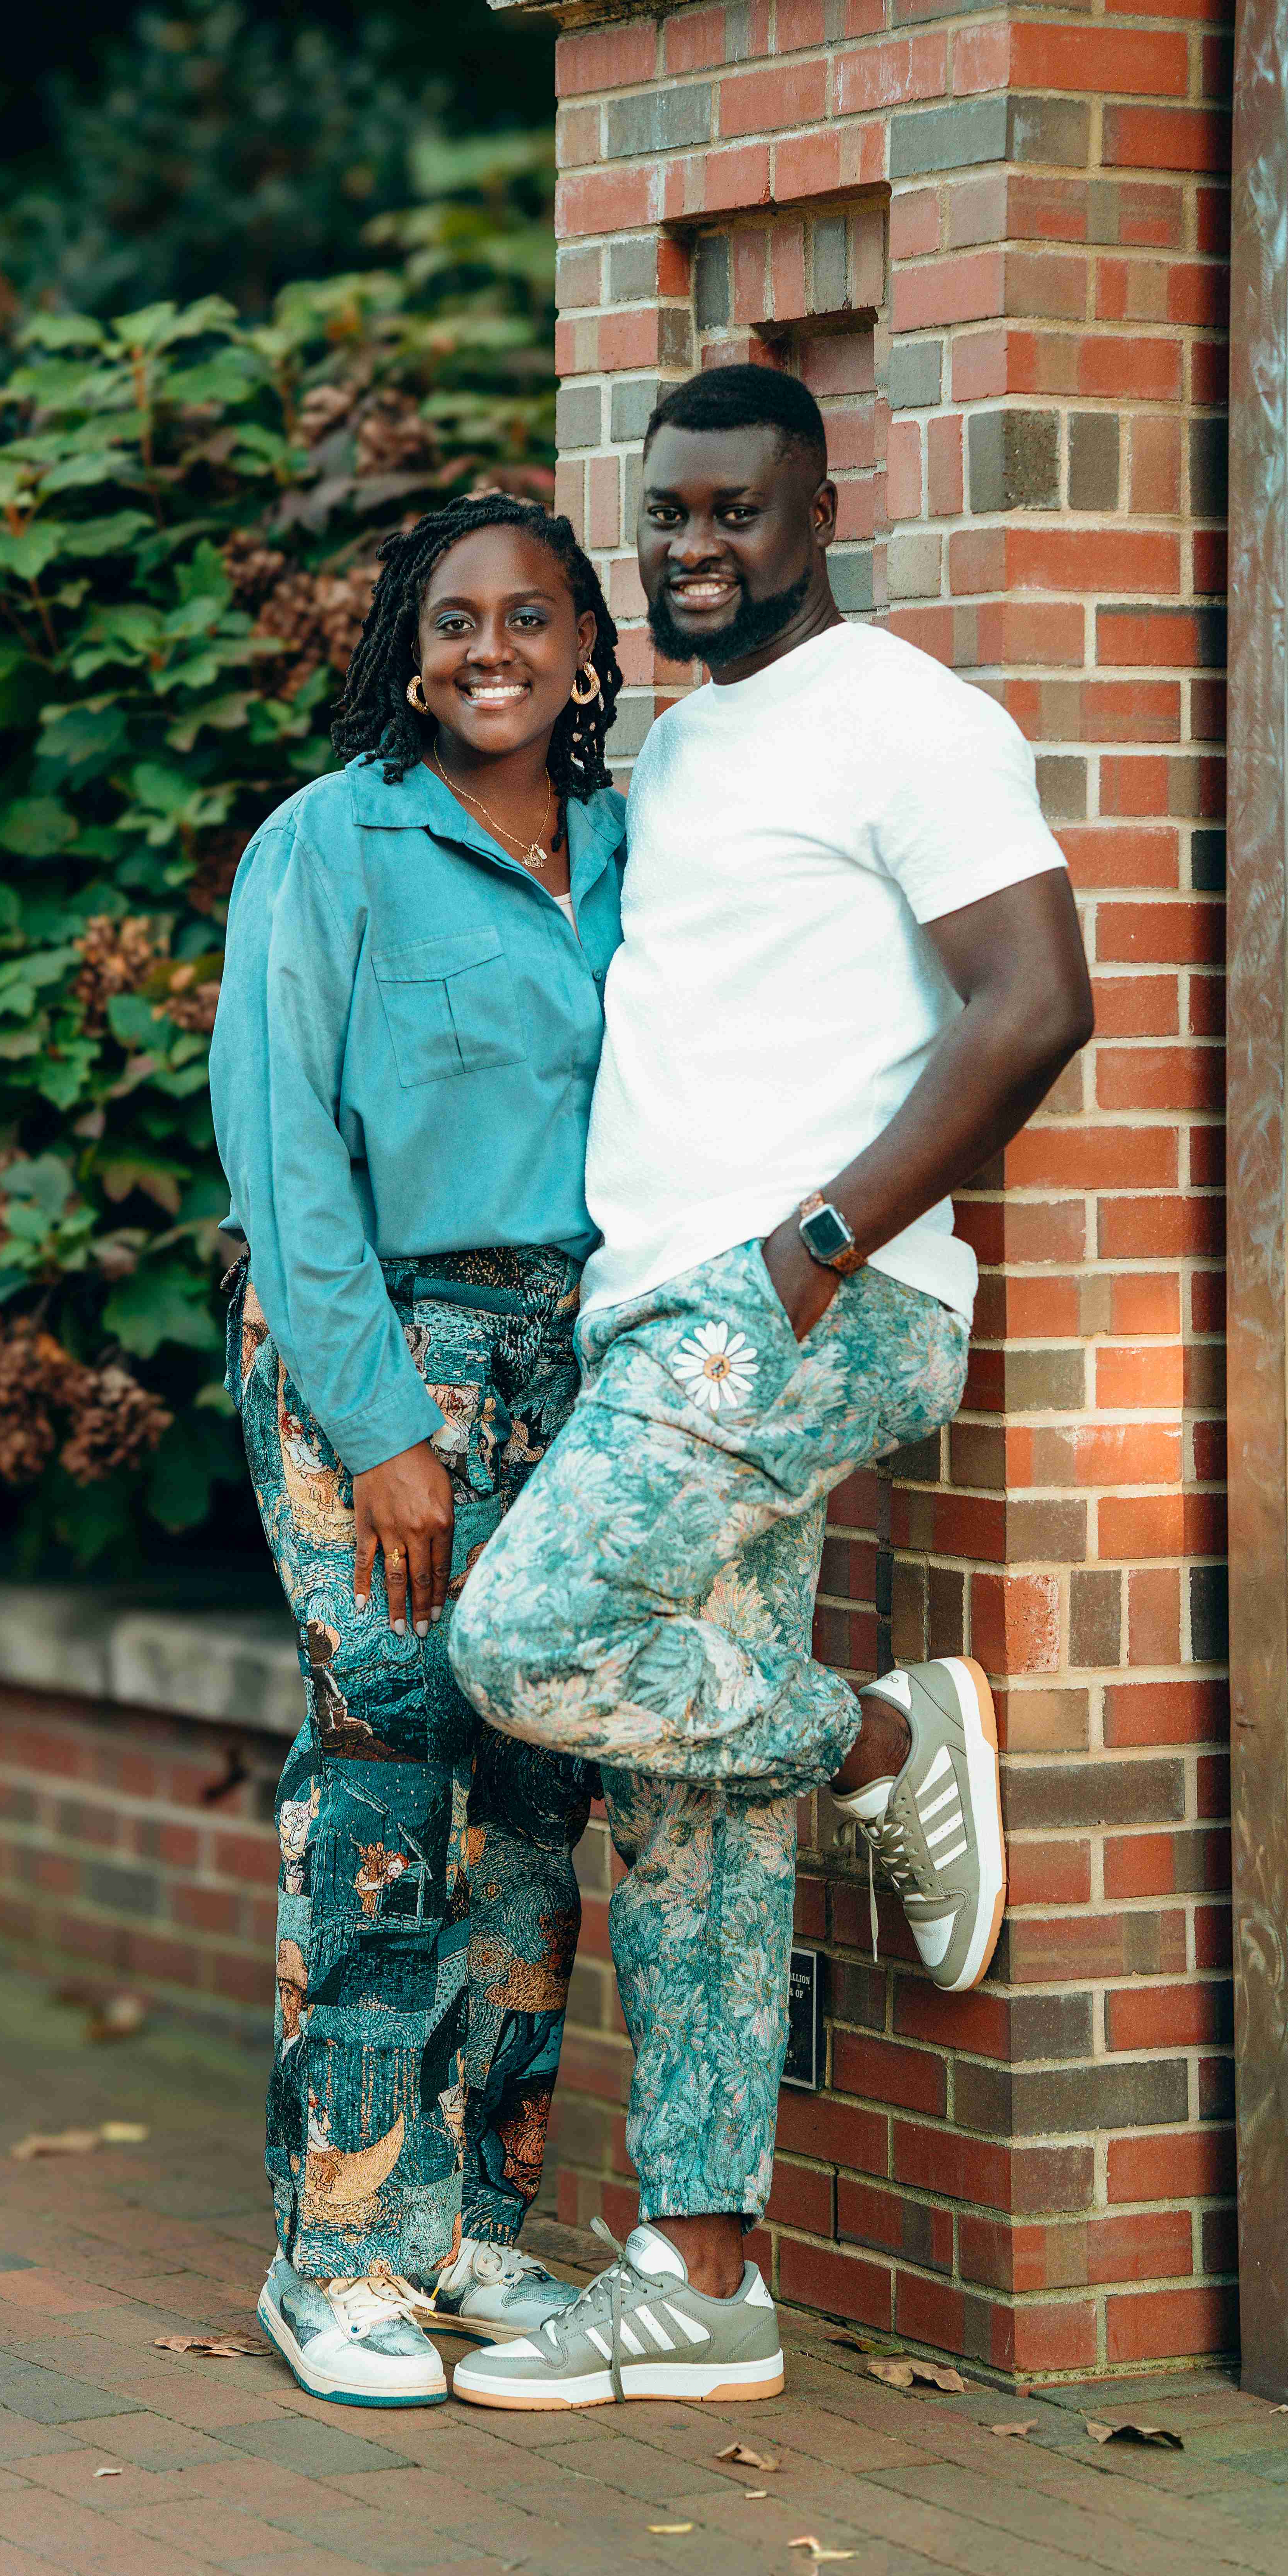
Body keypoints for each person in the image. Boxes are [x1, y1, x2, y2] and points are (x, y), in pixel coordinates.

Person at [443, 362, 1092, 2409]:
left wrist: (815, 1249)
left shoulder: (909, 719)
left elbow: (1035, 1002)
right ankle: (700, 2268)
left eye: (734, 511)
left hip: (799, 1304)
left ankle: (885, 1745)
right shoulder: (689, 746)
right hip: (678, 1318)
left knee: (521, 1636)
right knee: (685, 1802)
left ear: (820, 511)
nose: (692, 545)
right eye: (669, 516)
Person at [208, 490, 627, 2409]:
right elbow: (285, 1152)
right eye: (452, 621)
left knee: (538, 1786)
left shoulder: (630, 848)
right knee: (386, 1776)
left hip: (581, 1360)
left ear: (585, 650)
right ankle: (344, 2252)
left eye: (527, 617)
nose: (488, 651)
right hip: (377, 1348)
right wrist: (384, 1426)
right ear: (406, 645)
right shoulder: (332, 843)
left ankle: (476, 2232)